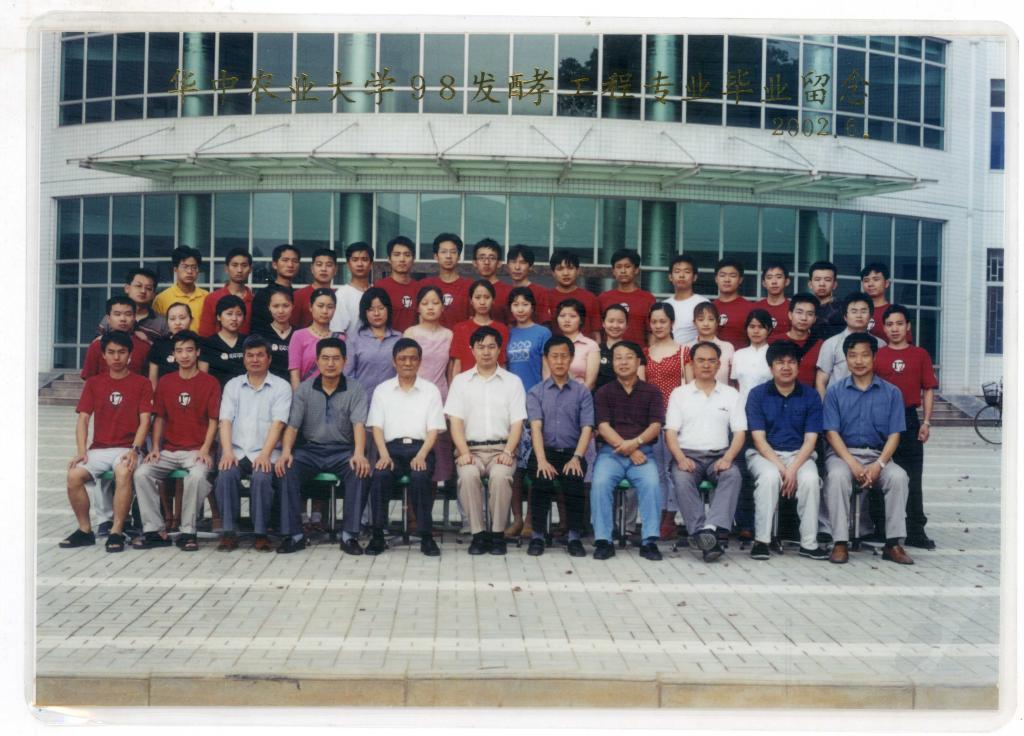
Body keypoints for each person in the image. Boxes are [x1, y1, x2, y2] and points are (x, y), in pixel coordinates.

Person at [822, 332, 912, 565]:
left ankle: (893, 543)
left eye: (864, 355)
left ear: (874, 357)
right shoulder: (834, 392)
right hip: (843, 455)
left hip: (878, 455)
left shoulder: (892, 393)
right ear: (846, 359)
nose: (859, 361)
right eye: (853, 355)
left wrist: (879, 465)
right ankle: (840, 542)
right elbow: (831, 433)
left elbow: (895, 435)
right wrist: (852, 463)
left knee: (899, 477)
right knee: (837, 476)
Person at [275, 338, 371, 554]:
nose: (330, 363)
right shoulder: (304, 389)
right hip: (310, 450)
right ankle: (294, 535)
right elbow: (292, 426)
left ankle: (349, 535)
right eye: (325, 358)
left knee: (360, 471)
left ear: (345, 361)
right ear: (317, 361)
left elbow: (358, 424)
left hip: (342, 451)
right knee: (286, 469)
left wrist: (359, 453)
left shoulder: (355, 389)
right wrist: (286, 452)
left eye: (336, 358)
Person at [59, 332, 153, 552]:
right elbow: (83, 419)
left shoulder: (142, 383)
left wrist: (135, 449)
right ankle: (85, 531)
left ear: (130, 355)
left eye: (121, 352)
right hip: (100, 448)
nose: (116, 357)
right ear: (103, 355)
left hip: (128, 448)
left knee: (123, 471)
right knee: (73, 475)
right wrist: (81, 451)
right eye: (111, 352)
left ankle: (116, 531)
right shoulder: (94, 383)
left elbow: (145, 420)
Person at [133, 331, 220, 552]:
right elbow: (159, 418)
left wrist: (205, 449)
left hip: (196, 451)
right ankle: (155, 531)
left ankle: (188, 532)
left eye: (189, 350)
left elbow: (214, 421)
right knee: (142, 473)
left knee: (197, 477)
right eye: (179, 351)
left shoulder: (210, 383)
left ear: (198, 352)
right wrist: (155, 447)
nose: (184, 355)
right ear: (173, 355)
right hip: (169, 451)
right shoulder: (165, 382)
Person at [444, 326, 527, 556]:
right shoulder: (461, 382)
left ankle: (498, 535)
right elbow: (455, 422)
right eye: (481, 347)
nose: (486, 352)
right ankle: (478, 534)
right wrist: (463, 452)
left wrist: (508, 451)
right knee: (468, 476)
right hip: (470, 449)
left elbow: (517, 422)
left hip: (502, 449)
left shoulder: (512, 382)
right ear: (472, 350)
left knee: (500, 477)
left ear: (500, 350)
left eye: (491, 347)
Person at [744, 341, 828, 561]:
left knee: (810, 479)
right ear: (771, 367)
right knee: (770, 477)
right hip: (764, 455)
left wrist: (792, 469)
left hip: (800, 454)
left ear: (798, 367)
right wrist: (783, 469)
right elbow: (759, 440)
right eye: (780, 362)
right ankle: (761, 541)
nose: (786, 367)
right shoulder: (757, 395)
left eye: (791, 362)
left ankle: (809, 543)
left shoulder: (810, 396)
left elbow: (811, 440)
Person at [664, 341, 746, 563]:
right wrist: (680, 458)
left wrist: (728, 458)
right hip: (687, 455)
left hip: (719, 455)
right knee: (682, 479)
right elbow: (670, 432)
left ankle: (709, 529)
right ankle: (703, 533)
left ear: (719, 365)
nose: (706, 365)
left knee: (733, 475)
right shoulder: (680, 393)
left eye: (711, 361)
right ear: (692, 364)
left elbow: (739, 432)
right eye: (701, 360)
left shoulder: (731, 394)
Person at [367, 338, 447, 557]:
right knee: (380, 476)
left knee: (420, 477)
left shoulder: (430, 390)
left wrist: (421, 455)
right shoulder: (382, 390)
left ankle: (426, 536)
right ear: (394, 362)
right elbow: (376, 427)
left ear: (420, 361)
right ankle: (377, 535)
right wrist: (383, 455)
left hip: (421, 449)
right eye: (402, 359)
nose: (408, 363)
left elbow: (434, 430)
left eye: (413, 358)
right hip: (391, 450)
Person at [213, 334, 291, 552]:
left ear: (269, 359)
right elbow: (225, 421)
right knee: (225, 474)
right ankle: (229, 532)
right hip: (237, 450)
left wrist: (265, 454)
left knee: (261, 477)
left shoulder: (281, 386)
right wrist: (227, 452)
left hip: (267, 452)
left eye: (260, 355)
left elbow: (278, 424)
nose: (255, 360)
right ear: (244, 358)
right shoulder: (233, 385)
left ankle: (261, 533)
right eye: (250, 355)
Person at [590, 340, 665, 561]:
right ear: (612, 363)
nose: (623, 362)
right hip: (611, 454)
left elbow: (655, 426)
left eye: (629, 357)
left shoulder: (652, 392)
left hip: (644, 453)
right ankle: (603, 540)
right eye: (618, 358)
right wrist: (630, 449)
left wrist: (636, 443)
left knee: (652, 484)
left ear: (638, 361)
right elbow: (603, 427)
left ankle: (649, 541)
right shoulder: (603, 392)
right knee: (600, 483)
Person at [525, 336, 594, 557]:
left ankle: (573, 537)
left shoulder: (582, 392)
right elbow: (536, 428)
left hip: (572, 452)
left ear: (571, 358)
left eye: (564, 356)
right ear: (546, 359)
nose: (559, 361)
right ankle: (538, 536)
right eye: (554, 356)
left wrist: (576, 458)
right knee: (541, 480)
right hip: (543, 452)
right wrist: (542, 460)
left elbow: (587, 428)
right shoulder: (536, 392)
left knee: (574, 481)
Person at [877, 305, 939, 550]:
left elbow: (928, 389)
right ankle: (881, 527)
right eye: (890, 324)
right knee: (882, 472)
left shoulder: (920, 354)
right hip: (881, 421)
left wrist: (926, 421)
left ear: (908, 326)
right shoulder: (877, 355)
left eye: (899, 323)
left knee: (913, 476)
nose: (895, 329)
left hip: (909, 419)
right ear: (884, 328)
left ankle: (915, 530)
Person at [504, 286, 552, 539]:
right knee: (514, 466)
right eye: (516, 304)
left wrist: (544, 400)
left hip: (534, 403)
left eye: (525, 304)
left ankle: (531, 520)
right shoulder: (507, 332)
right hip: (511, 405)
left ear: (533, 307)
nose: (520, 309)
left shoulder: (543, 333)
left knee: (533, 465)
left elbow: (546, 369)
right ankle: (517, 519)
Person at [643, 303, 687, 542]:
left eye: (663, 321)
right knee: (657, 470)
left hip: (675, 420)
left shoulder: (683, 352)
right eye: (654, 322)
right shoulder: (645, 352)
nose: (658, 326)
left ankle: (670, 517)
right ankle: (660, 515)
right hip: (652, 419)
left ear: (672, 323)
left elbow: (689, 388)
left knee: (672, 469)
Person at [404, 285, 455, 487]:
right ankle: (414, 508)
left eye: (435, 303)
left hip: (441, 398)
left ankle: (430, 506)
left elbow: (451, 372)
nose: (430, 307)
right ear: (418, 307)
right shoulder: (411, 333)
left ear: (443, 307)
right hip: (414, 397)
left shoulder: (449, 335)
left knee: (437, 458)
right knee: (415, 455)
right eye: (425, 303)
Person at [815, 292, 886, 397]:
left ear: (871, 316)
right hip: (838, 402)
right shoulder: (831, 343)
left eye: (863, 311)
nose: (859, 316)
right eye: (854, 311)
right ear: (845, 316)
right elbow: (821, 380)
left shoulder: (881, 344)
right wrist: (826, 404)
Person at [344, 287, 402, 402]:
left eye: (381, 308)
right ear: (364, 312)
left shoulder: (399, 338)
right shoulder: (354, 339)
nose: (376, 313)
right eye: (371, 309)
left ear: (388, 309)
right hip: (362, 402)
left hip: (392, 402)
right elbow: (348, 375)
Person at [82, 295, 151, 379]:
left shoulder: (144, 346)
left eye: (128, 314)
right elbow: (89, 380)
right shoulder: (97, 345)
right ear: (108, 318)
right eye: (117, 314)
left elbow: (148, 380)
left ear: (134, 318)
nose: (123, 319)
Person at [598, 249, 656, 346]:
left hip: (638, 353)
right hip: (609, 352)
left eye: (627, 266)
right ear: (613, 271)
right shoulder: (603, 298)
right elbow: (597, 331)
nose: (623, 271)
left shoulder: (648, 299)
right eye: (619, 267)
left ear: (636, 270)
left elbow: (652, 332)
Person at [450, 280, 510, 374]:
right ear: (471, 301)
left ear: (493, 300)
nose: (482, 302)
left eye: (487, 297)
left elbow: (502, 363)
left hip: (494, 380)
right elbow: (457, 364)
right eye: (477, 297)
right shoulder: (460, 329)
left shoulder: (502, 329)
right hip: (467, 381)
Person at [288, 287, 343, 390]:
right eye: (320, 306)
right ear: (310, 307)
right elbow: (294, 374)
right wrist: (299, 397)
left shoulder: (340, 338)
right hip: (307, 394)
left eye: (330, 307)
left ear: (335, 309)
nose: (325, 311)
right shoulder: (298, 336)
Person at [96, 267, 167, 343]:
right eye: (138, 286)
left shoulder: (161, 323)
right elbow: (96, 344)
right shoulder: (113, 317)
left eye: (148, 288)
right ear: (127, 288)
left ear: (153, 294)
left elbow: (168, 348)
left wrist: (148, 342)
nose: (143, 291)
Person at [421, 233, 473, 330]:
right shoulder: (425, 285)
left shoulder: (469, 285)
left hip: (460, 337)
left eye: (453, 252)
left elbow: (473, 319)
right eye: (443, 252)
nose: (448, 256)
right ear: (436, 256)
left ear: (458, 256)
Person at [197, 248, 254, 337]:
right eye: (234, 265)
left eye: (244, 265)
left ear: (250, 269)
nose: (239, 270)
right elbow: (205, 335)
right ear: (226, 269)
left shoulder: (255, 301)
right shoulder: (212, 298)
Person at [769, 292, 822, 387]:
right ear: (790, 315)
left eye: (809, 314)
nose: (804, 318)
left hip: (808, 395)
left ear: (815, 319)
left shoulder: (821, 345)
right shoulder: (773, 341)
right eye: (799, 312)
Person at [152, 246, 209, 331]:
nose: (190, 271)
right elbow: (156, 330)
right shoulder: (161, 299)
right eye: (185, 267)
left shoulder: (207, 297)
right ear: (175, 269)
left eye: (194, 267)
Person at [249, 244, 301, 334]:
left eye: (295, 261)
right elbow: (257, 329)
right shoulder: (263, 295)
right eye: (285, 260)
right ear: (274, 264)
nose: (290, 265)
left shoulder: (298, 295)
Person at [198, 294, 247, 389]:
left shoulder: (248, 342)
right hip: (218, 393)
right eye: (229, 314)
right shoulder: (208, 344)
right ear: (218, 317)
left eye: (239, 314)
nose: (234, 318)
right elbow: (203, 379)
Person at [549, 249, 601, 338]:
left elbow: (596, 332)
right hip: (555, 346)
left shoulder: (590, 298)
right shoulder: (546, 297)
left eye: (570, 268)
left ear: (578, 271)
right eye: (560, 269)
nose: (565, 273)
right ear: (553, 273)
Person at [376, 236, 421, 332]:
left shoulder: (420, 288)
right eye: (397, 255)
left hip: (415, 340)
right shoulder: (380, 287)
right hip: (388, 339)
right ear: (389, 259)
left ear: (413, 259)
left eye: (407, 255)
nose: (402, 259)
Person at [683, 301, 735, 385]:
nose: (706, 324)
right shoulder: (687, 348)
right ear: (694, 323)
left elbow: (733, 379)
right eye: (701, 319)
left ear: (717, 322)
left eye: (711, 319)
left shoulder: (727, 347)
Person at [552, 298, 599, 389]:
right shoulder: (551, 344)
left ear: (581, 320)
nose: (567, 320)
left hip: (581, 395)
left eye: (572, 316)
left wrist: (575, 396)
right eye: (562, 316)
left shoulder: (591, 345)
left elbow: (590, 383)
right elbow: (546, 378)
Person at [330, 241, 373, 339]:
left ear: (371, 264)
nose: (360, 264)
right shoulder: (341, 294)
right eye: (355, 260)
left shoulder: (377, 292)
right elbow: (337, 331)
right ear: (348, 264)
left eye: (364, 259)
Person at [860, 262, 910, 342]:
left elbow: (905, 345)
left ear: (886, 283)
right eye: (866, 280)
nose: (870, 284)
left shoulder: (896, 313)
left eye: (876, 279)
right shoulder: (856, 311)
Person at [731, 308, 774, 400]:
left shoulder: (775, 354)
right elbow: (735, 384)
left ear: (769, 330)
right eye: (752, 326)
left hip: (767, 404)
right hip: (741, 405)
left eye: (761, 327)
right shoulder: (738, 355)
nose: (756, 331)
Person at [254, 285, 295, 380]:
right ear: (269, 307)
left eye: (286, 306)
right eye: (276, 306)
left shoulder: (299, 334)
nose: (281, 311)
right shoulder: (260, 335)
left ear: (293, 306)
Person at [148, 302, 193, 387]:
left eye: (182, 318)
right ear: (167, 322)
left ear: (191, 320)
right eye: (172, 319)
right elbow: (153, 380)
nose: (177, 323)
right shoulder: (159, 344)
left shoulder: (200, 343)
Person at [712, 258, 754, 350]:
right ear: (716, 279)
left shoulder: (750, 308)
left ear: (740, 279)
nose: (727, 280)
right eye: (722, 275)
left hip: (740, 358)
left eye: (732, 276)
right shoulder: (710, 308)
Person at [505, 244, 552, 325]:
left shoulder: (540, 292)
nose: (517, 267)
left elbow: (545, 323)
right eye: (513, 262)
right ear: (508, 265)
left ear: (530, 267)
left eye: (522, 262)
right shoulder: (505, 291)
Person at [664, 254, 704, 346]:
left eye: (687, 271)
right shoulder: (664, 305)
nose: (681, 275)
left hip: (693, 353)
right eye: (677, 271)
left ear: (694, 277)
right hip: (667, 353)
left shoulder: (702, 303)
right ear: (670, 277)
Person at [293, 248, 338, 328]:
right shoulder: (298, 296)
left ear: (335, 270)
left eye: (329, 265)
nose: (323, 269)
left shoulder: (339, 295)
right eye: (319, 264)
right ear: (312, 268)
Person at [470, 238, 512, 324]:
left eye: (492, 258)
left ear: (499, 263)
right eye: (482, 258)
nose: (486, 262)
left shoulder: (509, 291)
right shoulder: (468, 288)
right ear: (474, 262)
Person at [807, 260, 845, 341]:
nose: (822, 284)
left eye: (827, 280)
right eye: (817, 279)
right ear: (810, 284)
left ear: (834, 285)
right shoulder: (803, 307)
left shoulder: (843, 308)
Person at [596, 304, 629, 391]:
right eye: (611, 321)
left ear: (627, 325)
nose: (615, 326)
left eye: (620, 322)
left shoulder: (633, 350)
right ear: (603, 323)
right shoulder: (596, 349)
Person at [754, 261, 791, 335]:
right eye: (769, 277)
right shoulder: (755, 308)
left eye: (779, 277)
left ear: (787, 281)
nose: (774, 282)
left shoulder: (793, 308)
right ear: (764, 283)